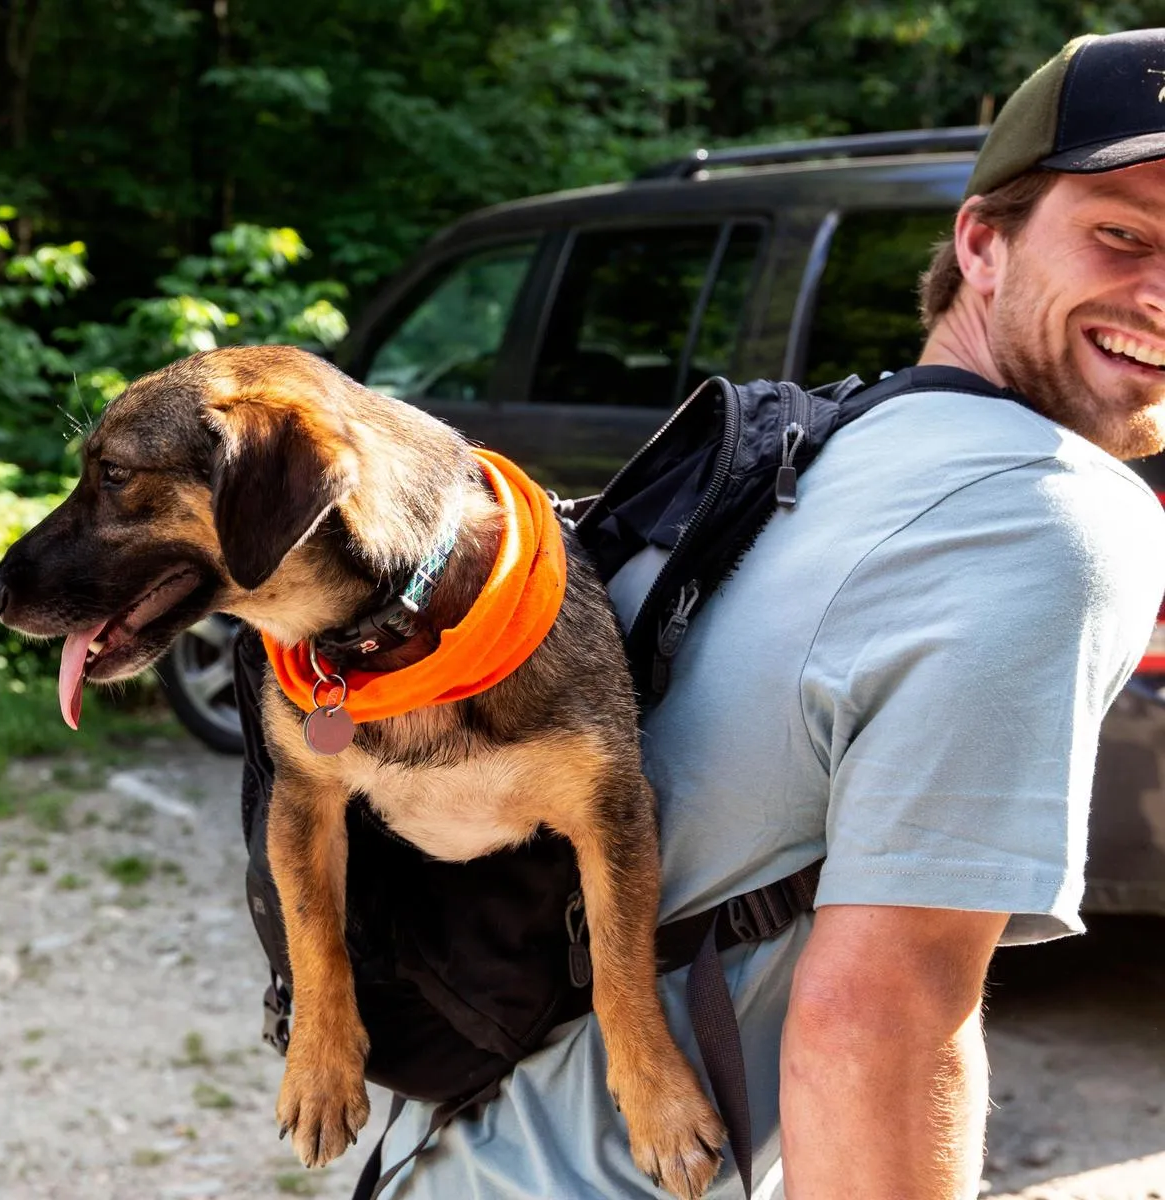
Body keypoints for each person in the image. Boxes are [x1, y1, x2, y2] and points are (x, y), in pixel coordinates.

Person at [367, 28, 1165, 1199]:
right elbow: (880, 1027)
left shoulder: (827, 440)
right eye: (1122, 234)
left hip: (446, 1155)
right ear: (983, 244)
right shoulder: (1050, 519)